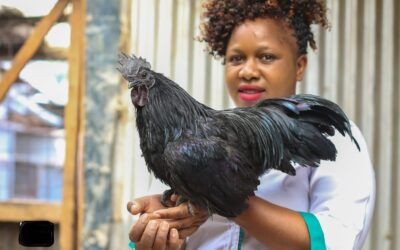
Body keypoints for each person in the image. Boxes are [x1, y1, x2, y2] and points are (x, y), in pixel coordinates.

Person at [126, 0, 376, 249]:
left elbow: (338, 238)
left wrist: (222, 200)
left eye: (266, 57)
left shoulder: (331, 137)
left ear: (299, 66)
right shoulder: (175, 138)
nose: (248, 71)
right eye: (236, 58)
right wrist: (160, 231)